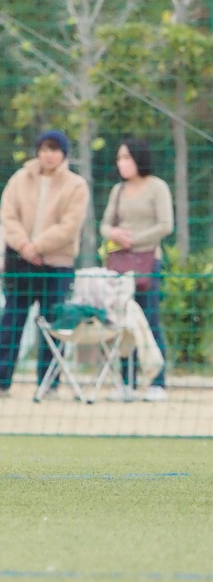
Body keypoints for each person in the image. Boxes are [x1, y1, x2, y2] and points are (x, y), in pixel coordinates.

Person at [0, 130, 89, 395]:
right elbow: (8, 216)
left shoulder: (76, 185)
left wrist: (37, 246)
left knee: (53, 326)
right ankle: (0, 382)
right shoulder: (19, 179)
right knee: (11, 324)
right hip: (20, 265)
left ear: (64, 153)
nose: (49, 154)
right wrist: (24, 246)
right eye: (44, 148)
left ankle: (49, 384)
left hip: (56, 266)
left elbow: (70, 226)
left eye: (55, 149)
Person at [100, 137, 173, 400]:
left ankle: (157, 382)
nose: (122, 163)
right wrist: (115, 234)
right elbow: (105, 225)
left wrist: (135, 239)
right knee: (123, 322)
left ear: (139, 159)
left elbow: (166, 224)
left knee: (149, 318)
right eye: (119, 158)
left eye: (126, 157)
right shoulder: (117, 190)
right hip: (120, 264)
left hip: (148, 261)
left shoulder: (157, 187)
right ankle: (127, 383)